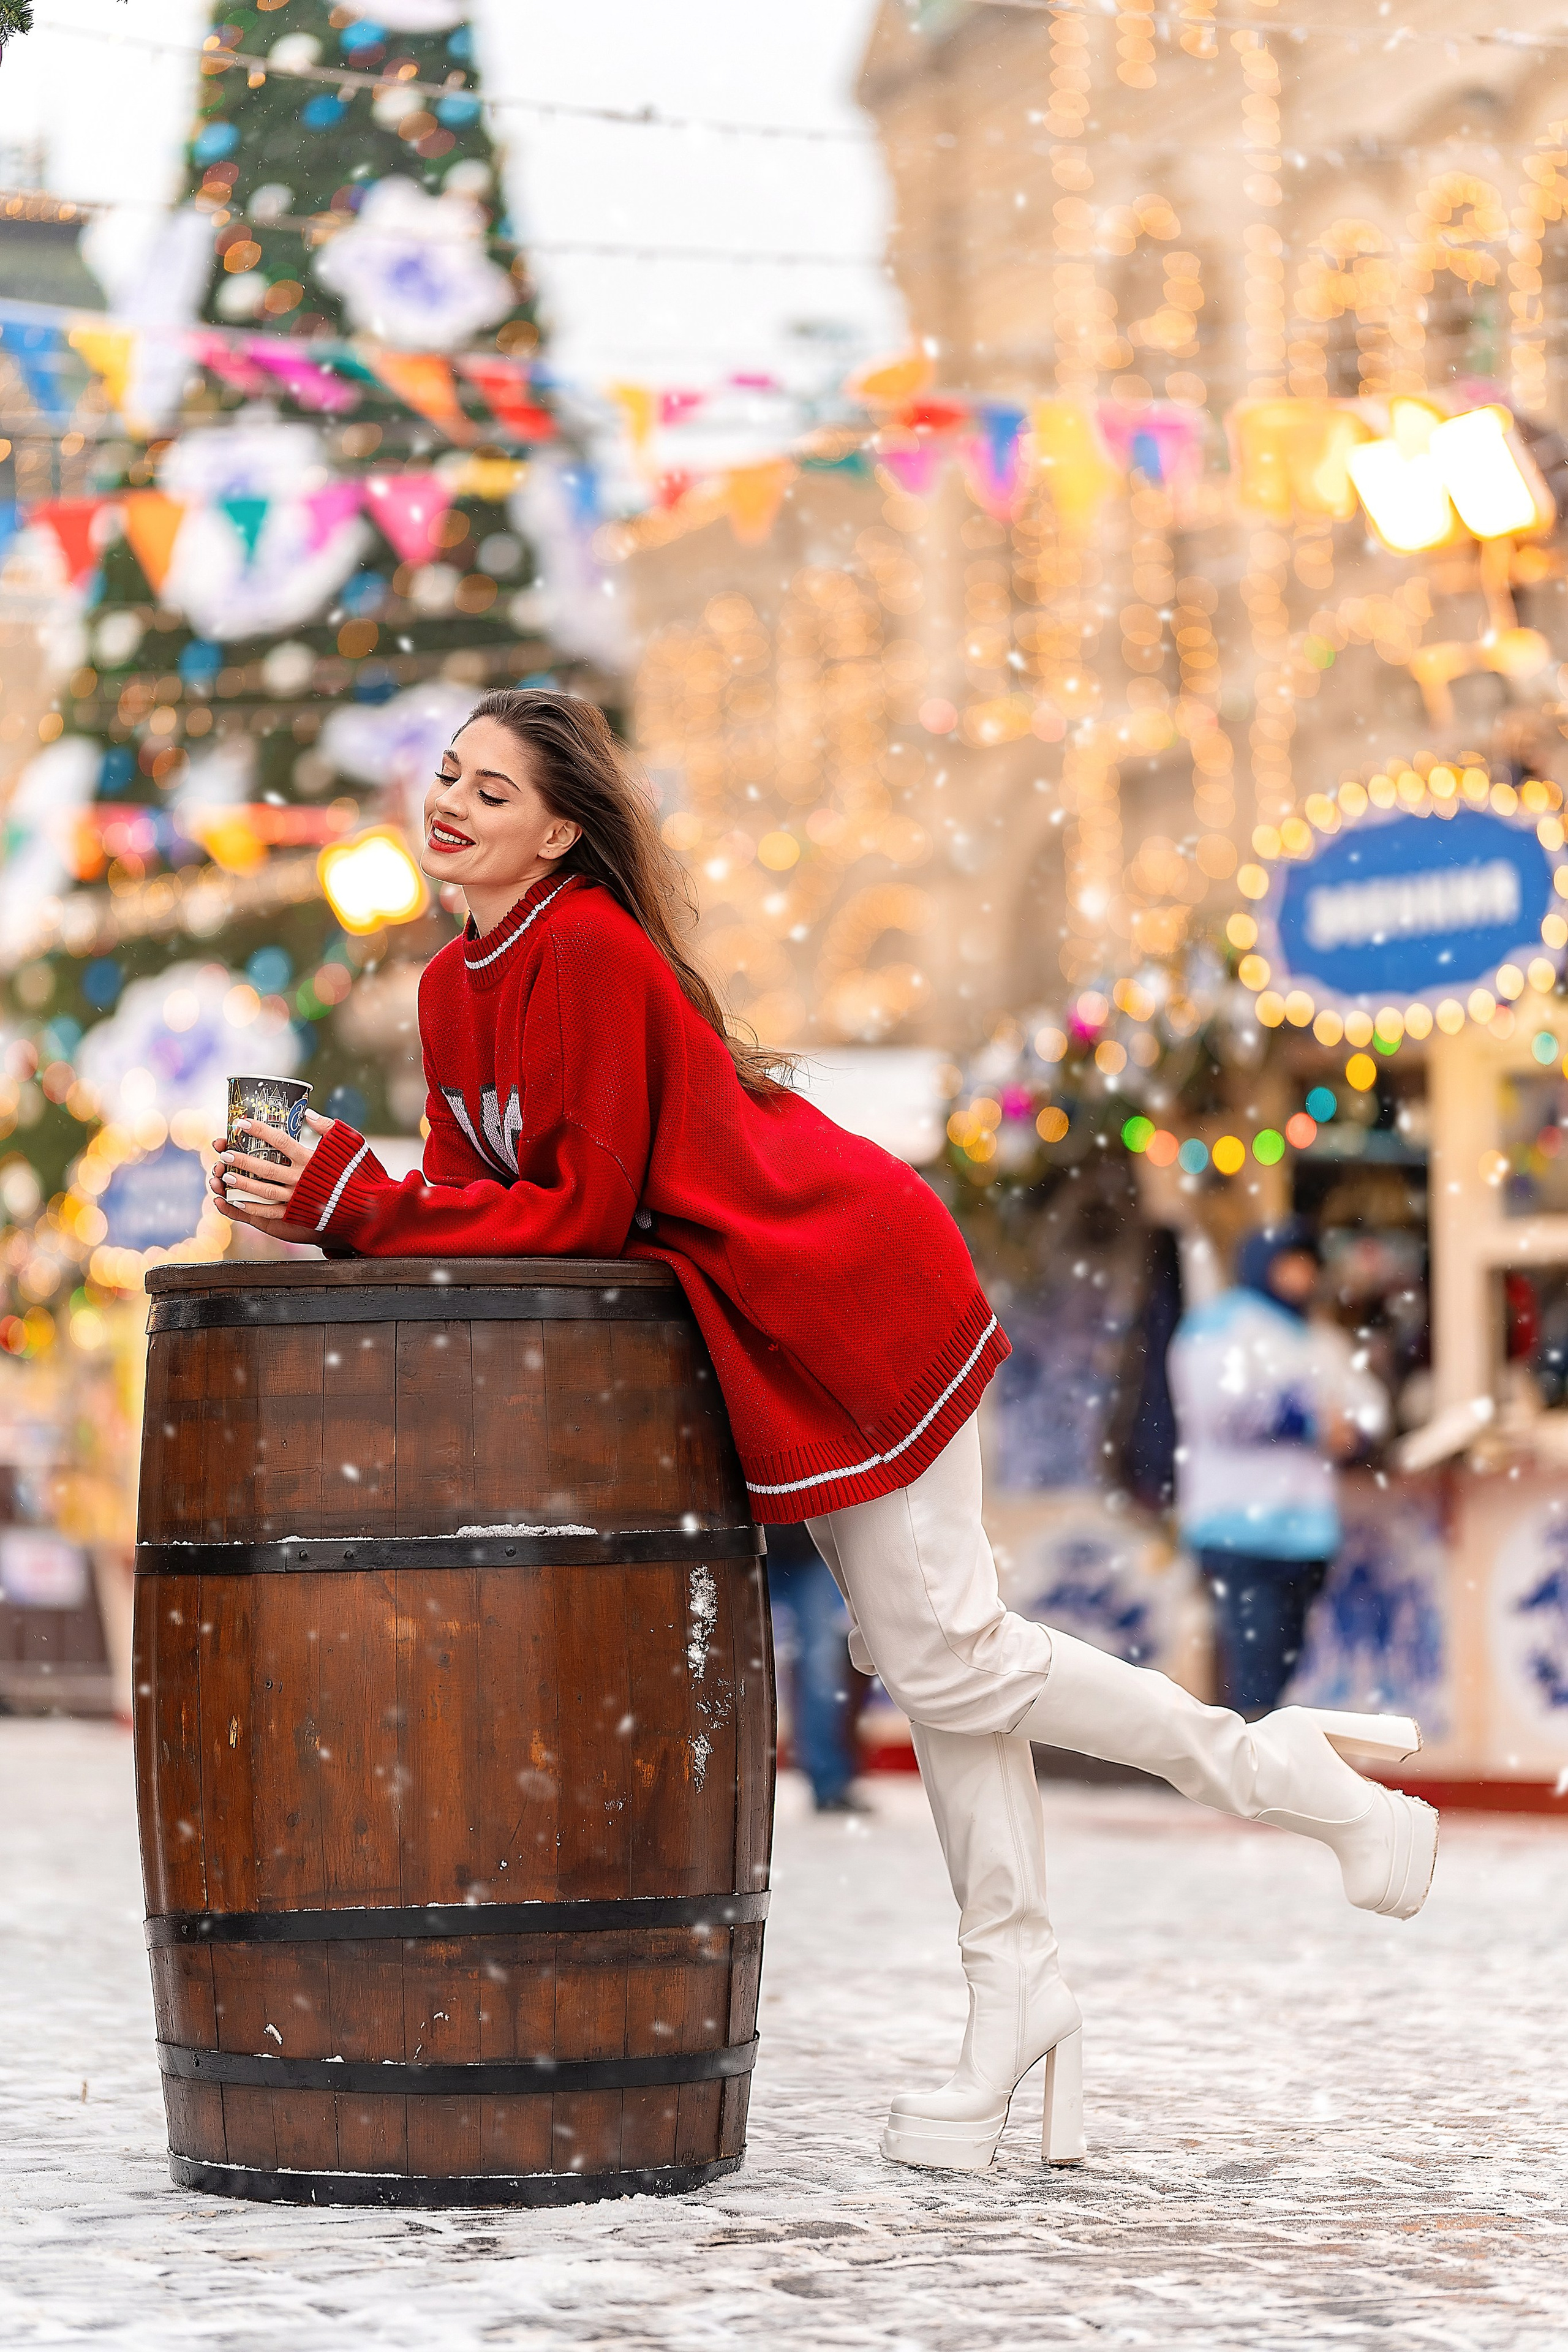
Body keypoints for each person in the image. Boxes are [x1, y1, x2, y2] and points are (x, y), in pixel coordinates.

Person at [213, 690, 1439, 2176]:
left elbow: (583, 1214)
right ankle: (1018, 1986)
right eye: (447, 777)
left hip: (852, 1286)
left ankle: (1281, 1775)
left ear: (557, 833)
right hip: (777, 1321)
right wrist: (350, 1204)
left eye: (492, 787)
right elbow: (501, 1219)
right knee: (943, 1666)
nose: (453, 803)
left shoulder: (586, 949)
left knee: (949, 1656)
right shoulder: (449, 988)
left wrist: (364, 1196)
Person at [1169, 1222, 1388, 1717]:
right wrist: (1311, 1417)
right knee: (1254, 1682)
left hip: (1306, 1531)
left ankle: (1268, 1783)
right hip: (1239, 1530)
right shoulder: (1219, 1325)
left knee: (1283, 1680)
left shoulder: (1318, 1336)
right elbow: (1220, 1407)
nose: (1300, 1276)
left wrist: (1352, 1430)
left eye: (1308, 1264)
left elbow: (1371, 1405)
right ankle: (1256, 1790)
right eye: (1290, 1263)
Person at [765, 1520, 868, 1813]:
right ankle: (727, 1781)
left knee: (821, 1669)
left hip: (809, 1548)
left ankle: (830, 1783)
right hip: (749, 1542)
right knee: (735, 1664)